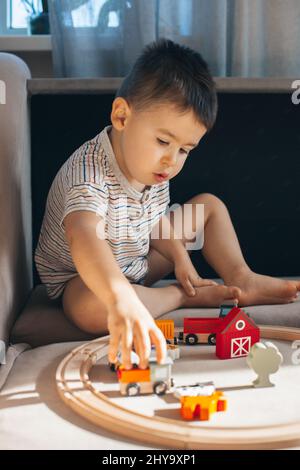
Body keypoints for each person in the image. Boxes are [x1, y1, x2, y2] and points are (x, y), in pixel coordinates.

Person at [35, 38, 300, 370]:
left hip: (137, 260)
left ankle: (241, 276)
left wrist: (179, 258)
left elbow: (155, 220)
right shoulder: (88, 175)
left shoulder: (154, 165)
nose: (171, 160)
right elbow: (84, 235)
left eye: (184, 150)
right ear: (121, 116)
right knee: (91, 308)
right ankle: (175, 295)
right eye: (163, 141)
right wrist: (121, 297)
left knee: (209, 207)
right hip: (85, 278)